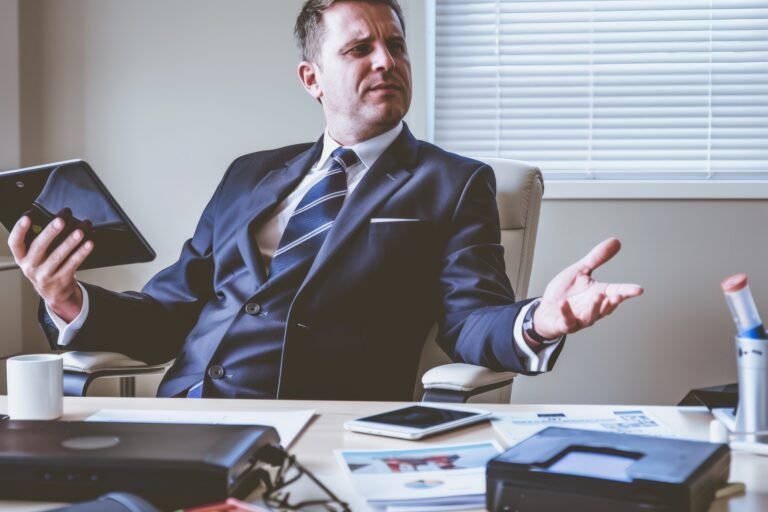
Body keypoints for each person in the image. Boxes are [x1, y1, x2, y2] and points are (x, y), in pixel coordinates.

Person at [7, 0, 643, 400]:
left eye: (395, 46)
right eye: (359, 48)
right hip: (186, 412)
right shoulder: (247, 175)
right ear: (311, 78)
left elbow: (470, 317)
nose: (385, 61)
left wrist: (537, 321)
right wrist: (70, 301)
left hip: (313, 422)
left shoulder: (453, 182)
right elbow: (171, 310)